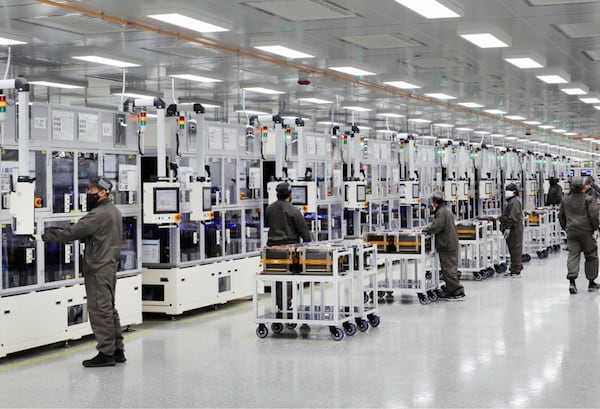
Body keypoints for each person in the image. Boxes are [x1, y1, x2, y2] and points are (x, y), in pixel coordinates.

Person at [41, 176, 125, 367]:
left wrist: (43, 235)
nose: (88, 194)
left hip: (98, 268)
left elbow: (71, 233)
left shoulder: (98, 214)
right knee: (109, 308)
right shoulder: (114, 211)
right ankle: (118, 350)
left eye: (92, 191)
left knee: (98, 309)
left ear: (103, 192)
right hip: (109, 265)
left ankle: (106, 353)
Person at [265, 182, 312, 313]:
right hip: (290, 250)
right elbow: (303, 231)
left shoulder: (269, 209)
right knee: (290, 277)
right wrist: (310, 245)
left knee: (277, 277)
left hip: (273, 250)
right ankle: (286, 305)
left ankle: (280, 305)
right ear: (290, 195)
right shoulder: (294, 211)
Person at [559, 176, 600, 294]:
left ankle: (572, 282)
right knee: (591, 255)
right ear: (583, 187)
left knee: (573, 255)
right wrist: (595, 228)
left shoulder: (565, 200)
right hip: (586, 231)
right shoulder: (589, 199)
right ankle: (591, 282)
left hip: (571, 231)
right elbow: (593, 216)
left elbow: (561, 216)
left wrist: (566, 228)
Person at [424, 191, 465, 301]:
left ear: (434, 202)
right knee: (449, 268)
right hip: (449, 243)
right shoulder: (445, 210)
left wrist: (426, 229)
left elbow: (437, 227)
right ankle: (450, 290)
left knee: (449, 270)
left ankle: (457, 292)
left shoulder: (442, 212)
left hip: (447, 245)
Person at [500, 183, 524, 278]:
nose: (506, 193)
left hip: (514, 229)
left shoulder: (514, 202)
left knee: (516, 249)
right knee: (512, 249)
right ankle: (514, 268)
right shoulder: (511, 201)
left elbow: (513, 216)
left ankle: (516, 270)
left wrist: (508, 228)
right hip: (512, 228)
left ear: (514, 192)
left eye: (508, 190)